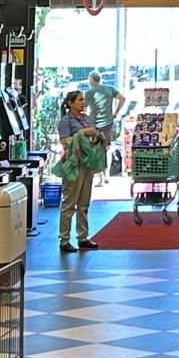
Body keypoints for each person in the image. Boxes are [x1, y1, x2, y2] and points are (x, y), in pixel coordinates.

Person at [56, 90, 100, 253]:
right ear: (71, 103)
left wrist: (97, 138)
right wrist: (82, 133)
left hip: (87, 163)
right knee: (69, 203)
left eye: (84, 100)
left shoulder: (87, 119)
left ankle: (83, 237)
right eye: (80, 100)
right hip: (73, 164)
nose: (83, 102)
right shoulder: (65, 121)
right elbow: (65, 142)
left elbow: (92, 136)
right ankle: (64, 239)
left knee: (84, 202)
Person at [86, 70, 124, 183]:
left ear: (92, 80)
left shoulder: (89, 93)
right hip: (108, 124)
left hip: (95, 124)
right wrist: (116, 113)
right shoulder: (109, 89)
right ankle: (106, 175)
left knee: (96, 149)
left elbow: (83, 109)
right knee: (106, 149)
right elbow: (123, 98)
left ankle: (101, 177)